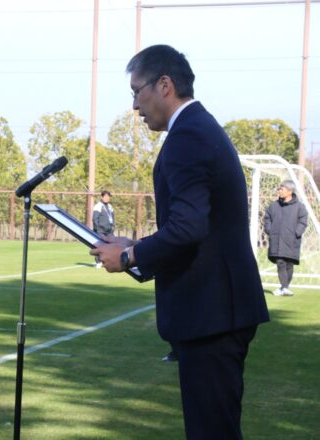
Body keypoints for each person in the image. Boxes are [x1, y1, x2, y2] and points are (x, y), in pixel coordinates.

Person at [91, 45, 269, 440]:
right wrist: (136, 244)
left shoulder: (188, 136)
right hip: (218, 311)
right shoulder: (199, 129)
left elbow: (188, 228)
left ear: (164, 85)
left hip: (212, 314)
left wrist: (129, 255)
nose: (135, 106)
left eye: (137, 91)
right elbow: (197, 226)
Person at [264, 180, 308, 297]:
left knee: (289, 264)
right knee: (280, 262)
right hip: (276, 240)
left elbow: (303, 220)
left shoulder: (300, 207)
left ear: (290, 191)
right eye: (279, 188)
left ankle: (284, 288)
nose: (279, 191)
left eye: (282, 189)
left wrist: (297, 232)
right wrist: (269, 230)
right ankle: (284, 287)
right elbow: (267, 217)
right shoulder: (274, 206)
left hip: (291, 240)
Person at [92, 190, 115, 268]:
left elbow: (112, 217)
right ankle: (98, 262)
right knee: (99, 246)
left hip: (109, 231)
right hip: (100, 230)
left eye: (108, 197)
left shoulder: (110, 206)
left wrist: (113, 226)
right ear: (102, 197)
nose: (107, 198)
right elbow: (95, 218)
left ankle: (109, 261)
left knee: (112, 245)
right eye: (105, 196)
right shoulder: (98, 206)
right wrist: (97, 229)